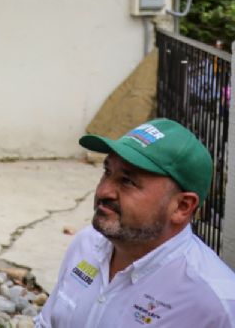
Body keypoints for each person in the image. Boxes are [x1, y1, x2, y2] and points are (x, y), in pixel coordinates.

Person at [36, 118, 235, 327]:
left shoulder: (215, 304)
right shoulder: (87, 244)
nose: (104, 191)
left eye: (127, 181)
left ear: (182, 207)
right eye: (107, 172)